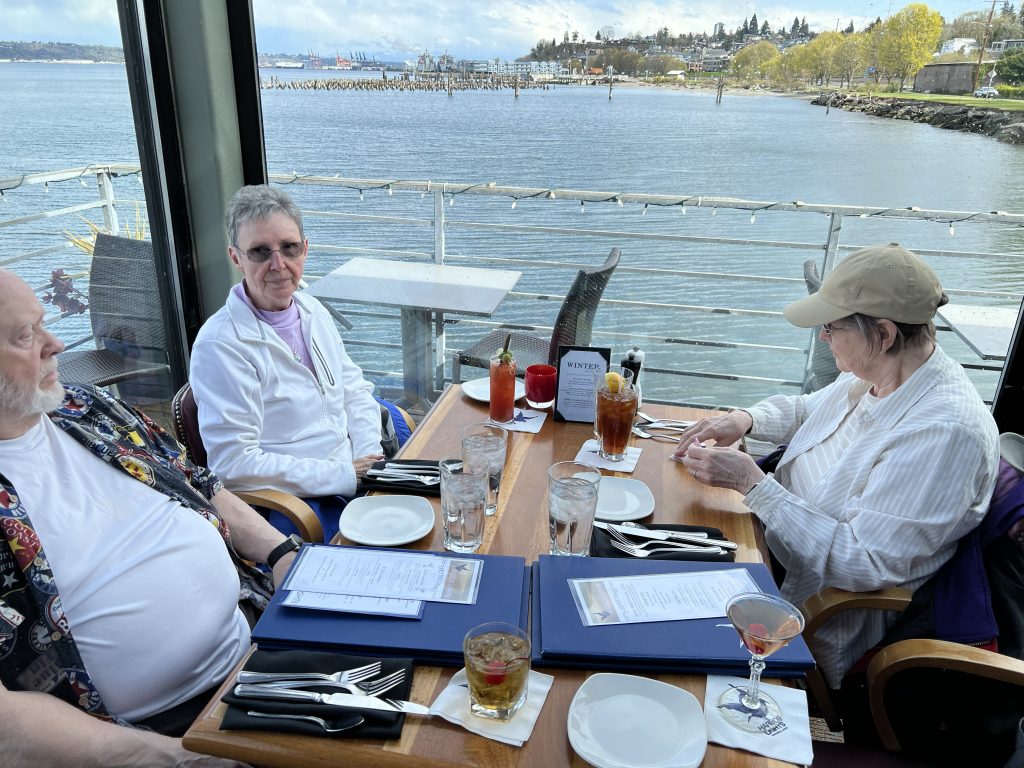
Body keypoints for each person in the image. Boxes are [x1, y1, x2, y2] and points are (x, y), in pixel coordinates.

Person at [0, 269, 305, 765]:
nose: (54, 344)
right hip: (152, 738)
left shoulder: (88, 408)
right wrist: (182, 759)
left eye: (43, 324)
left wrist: (282, 553)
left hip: (260, 641)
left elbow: (201, 484)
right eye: (24, 336)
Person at [673, 243, 1000, 688]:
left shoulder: (943, 432)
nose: (823, 338)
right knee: (644, 556)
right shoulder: (881, 371)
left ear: (884, 333)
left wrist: (754, 484)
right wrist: (746, 419)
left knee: (662, 646)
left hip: (805, 612)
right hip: (762, 545)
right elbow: (807, 409)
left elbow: (862, 563)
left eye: (831, 326)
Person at [189, 185, 387, 543]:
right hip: (297, 502)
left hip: (353, 472)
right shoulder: (220, 346)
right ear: (236, 258)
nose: (278, 265)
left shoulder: (313, 311)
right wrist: (345, 475)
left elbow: (354, 391)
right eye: (260, 252)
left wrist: (369, 459)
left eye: (289, 248)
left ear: (305, 249)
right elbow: (233, 464)